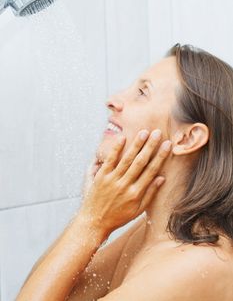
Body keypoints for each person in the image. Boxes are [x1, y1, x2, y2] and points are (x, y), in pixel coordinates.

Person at [17, 43, 233, 301]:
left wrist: (92, 222)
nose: (113, 101)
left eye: (142, 92)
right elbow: (66, 296)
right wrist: (89, 215)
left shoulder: (200, 262)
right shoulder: (156, 229)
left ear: (186, 138)